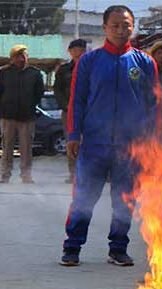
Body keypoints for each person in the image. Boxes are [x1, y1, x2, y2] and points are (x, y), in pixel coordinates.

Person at [60, 5, 158, 267]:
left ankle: (118, 248)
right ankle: (72, 247)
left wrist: (149, 140)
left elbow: (152, 105)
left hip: (130, 146)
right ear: (104, 28)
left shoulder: (145, 63)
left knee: (124, 200)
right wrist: (73, 134)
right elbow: (77, 101)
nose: (120, 29)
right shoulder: (89, 62)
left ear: (132, 26)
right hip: (94, 144)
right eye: (114, 25)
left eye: (125, 24)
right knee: (84, 198)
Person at [0, 45, 44, 184]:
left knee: (26, 148)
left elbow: (39, 94)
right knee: (7, 147)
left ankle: (26, 175)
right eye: (18, 56)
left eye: (24, 56)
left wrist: (30, 105)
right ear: (12, 58)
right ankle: (5, 174)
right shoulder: (3, 73)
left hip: (27, 116)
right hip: (8, 116)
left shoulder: (35, 73)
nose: (21, 59)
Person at [54, 39, 88, 184]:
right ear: (70, 51)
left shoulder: (91, 67)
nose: (77, 52)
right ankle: (73, 174)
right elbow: (57, 90)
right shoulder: (64, 70)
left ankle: (87, 174)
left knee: (89, 143)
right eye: (74, 49)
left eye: (80, 49)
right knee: (71, 142)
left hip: (89, 111)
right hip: (69, 111)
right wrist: (65, 105)